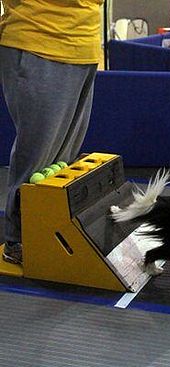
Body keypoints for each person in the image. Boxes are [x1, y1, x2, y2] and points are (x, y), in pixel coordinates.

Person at [0, 0, 104, 264]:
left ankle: (49, 231)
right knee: (37, 154)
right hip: (39, 39)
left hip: (84, 44)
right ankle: (19, 238)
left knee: (63, 162)